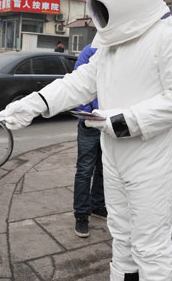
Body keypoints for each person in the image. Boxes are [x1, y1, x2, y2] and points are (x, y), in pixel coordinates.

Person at [0, 0, 172, 280]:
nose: (101, 17)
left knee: (150, 244)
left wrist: (122, 121)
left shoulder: (166, 40)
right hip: (114, 156)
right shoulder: (107, 48)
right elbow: (76, 84)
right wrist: (30, 105)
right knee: (120, 235)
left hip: (151, 159)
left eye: (104, 9)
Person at [72, 44, 106, 238]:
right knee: (85, 169)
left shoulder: (121, 48)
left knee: (104, 167)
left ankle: (97, 204)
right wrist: (89, 112)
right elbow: (79, 84)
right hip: (90, 122)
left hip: (110, 122)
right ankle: (81, 215)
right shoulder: (90, 51)